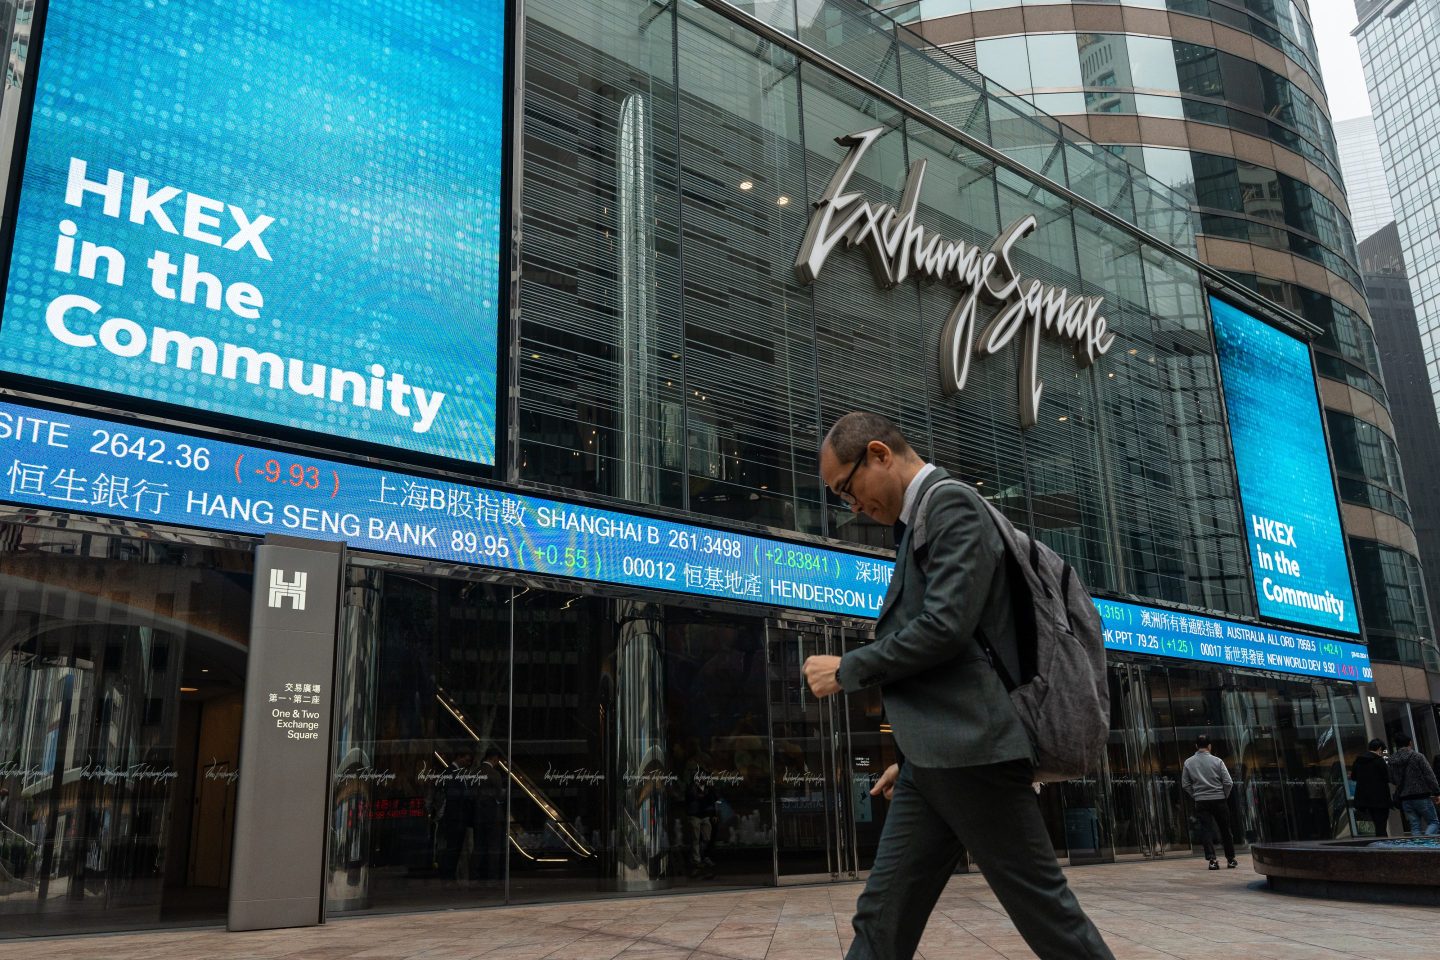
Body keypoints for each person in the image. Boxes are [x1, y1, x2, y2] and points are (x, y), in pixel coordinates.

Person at [801, 412, 1113, 960]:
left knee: (1050, 918)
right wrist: (916, 752)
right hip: (942, 757)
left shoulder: (950, 505)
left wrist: (847, 669)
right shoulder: (925, 519)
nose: (852, 507)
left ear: (878, 454)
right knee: (882, 918)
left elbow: (945, 628)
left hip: (975, 755)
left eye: (847, 490)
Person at [1181, 735, 1236, 869]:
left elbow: (1185, 784)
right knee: (1225, 830)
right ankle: (1230, 859)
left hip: (1201, 801)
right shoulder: (1218, 761)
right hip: (1219, 799)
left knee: (1206, 830)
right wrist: (1224, 795)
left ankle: (1212, 860)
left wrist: (1196, 795)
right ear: (1209, 746)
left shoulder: (1188, 762)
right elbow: (1228, 782)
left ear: (1196, 746)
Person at [1387, 733, 1440, 836]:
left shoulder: (1392, 760)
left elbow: (1392, 779)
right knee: (1434, 822)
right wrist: (1437, 792)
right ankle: (1427, 841)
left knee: (1415, 825)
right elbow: (1429, 775)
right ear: (1410, 743)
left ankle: (1418, 849)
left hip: (1405, 798)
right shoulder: (1417, 756)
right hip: (1421, 795)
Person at [1350, 739, 1392, 837]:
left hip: (1365, 799)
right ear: (1379, 749)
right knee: (1381, 826)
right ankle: (1383, 847)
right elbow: (1387, 778)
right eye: (1382, 751)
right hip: (1380, 799)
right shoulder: (1379, 761)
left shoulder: (1359, 761)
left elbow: (1353, 777)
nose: (1382, 753)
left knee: (1376, 824)